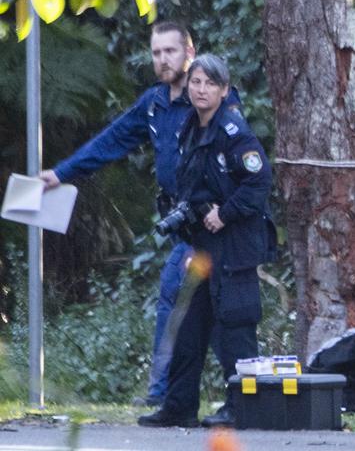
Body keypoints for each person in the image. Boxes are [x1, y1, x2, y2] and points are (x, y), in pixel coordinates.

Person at [39, 22, 241, 407]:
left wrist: (225, 207)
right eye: (156, 53)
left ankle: (219, 394)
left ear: (189, 52)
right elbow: (112, 140)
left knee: (212, 307)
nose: (163, 60)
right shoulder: (155, 103)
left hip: (218, 222)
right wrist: (62, 173)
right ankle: (167, 394)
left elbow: (237, 154)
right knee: (183, 302)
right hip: (185, 225)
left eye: (170, 51)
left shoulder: (210, 96)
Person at [138, 54, 276, 428]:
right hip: (203, 247)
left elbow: (260, 183)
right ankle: (178, 406)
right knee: (187, 326)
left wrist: (225, 213)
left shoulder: (234, 132)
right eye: (196, 82)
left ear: (224, 90)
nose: (201, 90)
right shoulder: (190, 127)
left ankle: (243, 408)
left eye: (209, 84)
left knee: (236, 328)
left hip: (235, 246)